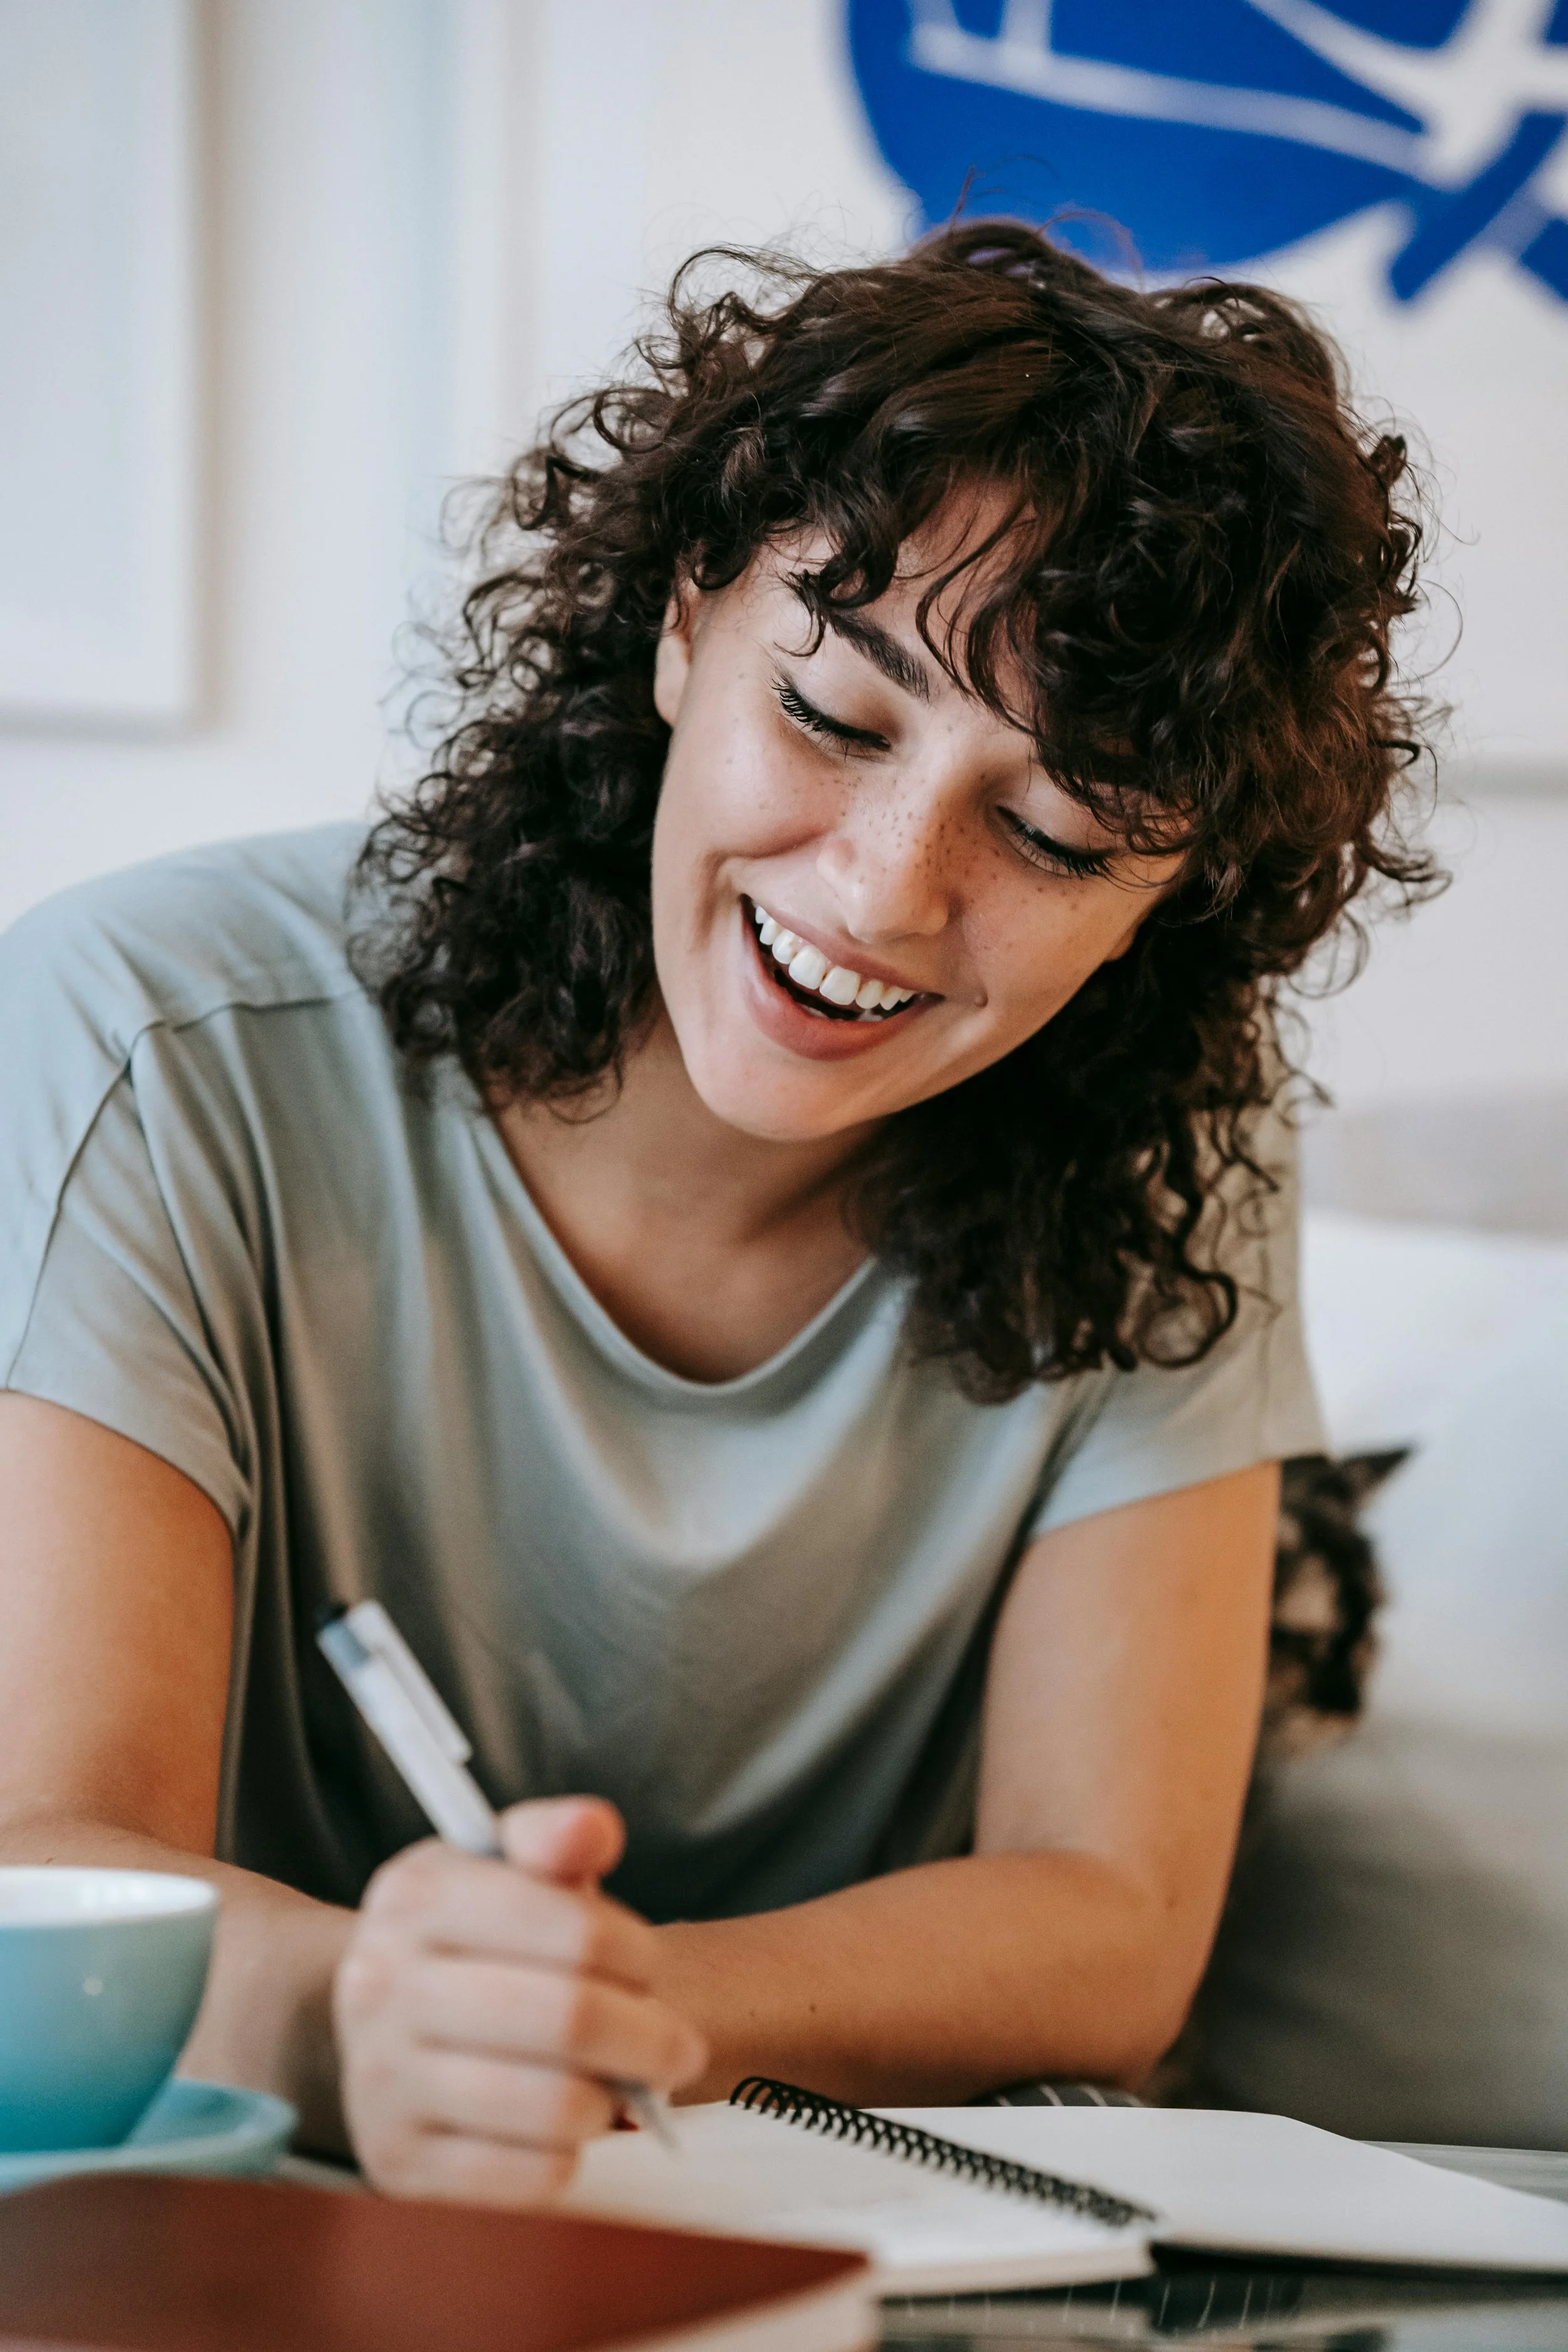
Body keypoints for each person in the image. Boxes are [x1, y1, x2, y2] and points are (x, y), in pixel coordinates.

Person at [0, 223, 1434, 2205]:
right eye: (835, 719)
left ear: (1165, 892)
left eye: (1053, 832)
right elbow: (45, 1868)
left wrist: (607, 2006)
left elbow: (1110, 1912)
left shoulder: (1168, 1146)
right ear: (684, 619)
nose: (878, 890)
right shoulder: (148, 1043)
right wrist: (367, 2019)